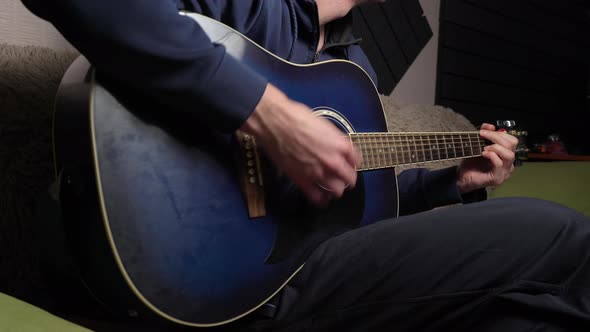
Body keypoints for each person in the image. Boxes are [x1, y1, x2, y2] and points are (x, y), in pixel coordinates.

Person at [21, 0, 590, 331]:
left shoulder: (354, 68)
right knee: (566, 235)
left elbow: (361, 212)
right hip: (214, 280)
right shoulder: (244, 5)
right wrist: (267, 113)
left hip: (306, 264)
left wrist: (450, 183)